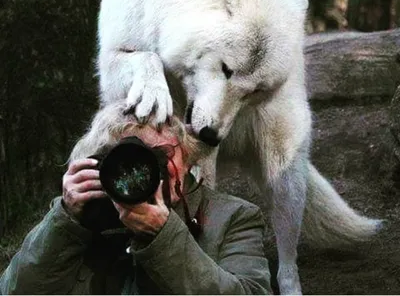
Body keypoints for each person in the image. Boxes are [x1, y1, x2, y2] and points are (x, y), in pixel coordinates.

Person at [0, 101, 272, 295]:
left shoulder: (233, 218)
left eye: (160, 155)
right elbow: (16, 291)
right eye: (125, 161)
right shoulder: (84, 221)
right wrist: (66, 222)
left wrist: (162, 236)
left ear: (187, 157)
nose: (147, 170)